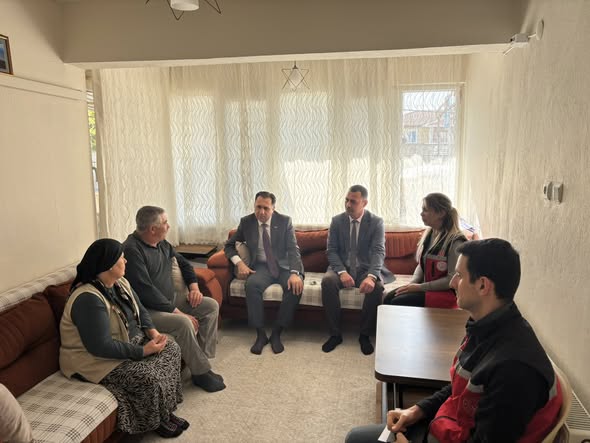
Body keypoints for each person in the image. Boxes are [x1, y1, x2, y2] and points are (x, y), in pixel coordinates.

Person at [345, 238, 563, 443]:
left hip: (453, 433)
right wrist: (417, 410)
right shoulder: (487, 326)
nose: (452, 282)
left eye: (459, 275)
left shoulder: (514, 372)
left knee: (356, 439)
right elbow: (460, 389)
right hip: (448, 425)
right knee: (357, 436)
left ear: (483, 286)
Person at [59, 239, 188, 438]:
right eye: (122, 258)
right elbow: (100, 346)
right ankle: (155, 421)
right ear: (109, 265)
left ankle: (165, 412)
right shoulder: (88, 299)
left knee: (171, 349)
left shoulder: (120, 283)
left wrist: (154, 333)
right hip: (96, 360)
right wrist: (143, 351)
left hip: (127, 343)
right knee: (147, 377)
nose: (126, 261)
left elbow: (141, 310)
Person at [123, 206, 225, 392]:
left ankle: (202, 360)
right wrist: (178, 312)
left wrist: (194, 288)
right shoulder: (132, 250)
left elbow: (184, 264)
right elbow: (146, 291)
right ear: (152, 229)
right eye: (165, 223)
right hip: (146, 311)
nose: (169, 226)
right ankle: (201, 373)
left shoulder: (162, 243)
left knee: (210, 306)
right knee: (183, 323)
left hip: (169, 302)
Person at [224, 191, 304, 355]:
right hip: (261, 266)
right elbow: (229, 245)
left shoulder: (284, 221)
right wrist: (239, 263)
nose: (261, 212)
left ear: (273, 208)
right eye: (258, 207)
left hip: (284, 266)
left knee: (295, 287)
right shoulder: (247, 222)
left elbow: (293, 249)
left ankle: (277, 333)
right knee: (251, 285)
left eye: (266, 208)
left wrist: (295, 273)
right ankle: (260, 334)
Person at [321, 185, 394, 355]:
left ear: (364, 203)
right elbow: (331, 251)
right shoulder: (337, 221)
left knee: (376, 287)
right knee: (327, 281)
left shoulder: (376, 222)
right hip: (342, 267)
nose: (348, 204)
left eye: (353, 201)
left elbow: (378, 251)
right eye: (346, 200)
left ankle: (364, 335)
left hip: (365, 269)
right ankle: (335, 334)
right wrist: (342, 272)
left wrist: (371, 276)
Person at [384, 193, 466, 308]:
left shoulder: (455, 241)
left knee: (397, 302)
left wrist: (419, 287)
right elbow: (421, 265)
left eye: (425, 210)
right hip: (428, 289)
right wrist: (412, 284)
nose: (421, 213)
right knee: (388, 298)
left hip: (446, 294)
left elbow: (451, 279)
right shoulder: (429, 234)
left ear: (441, 213)